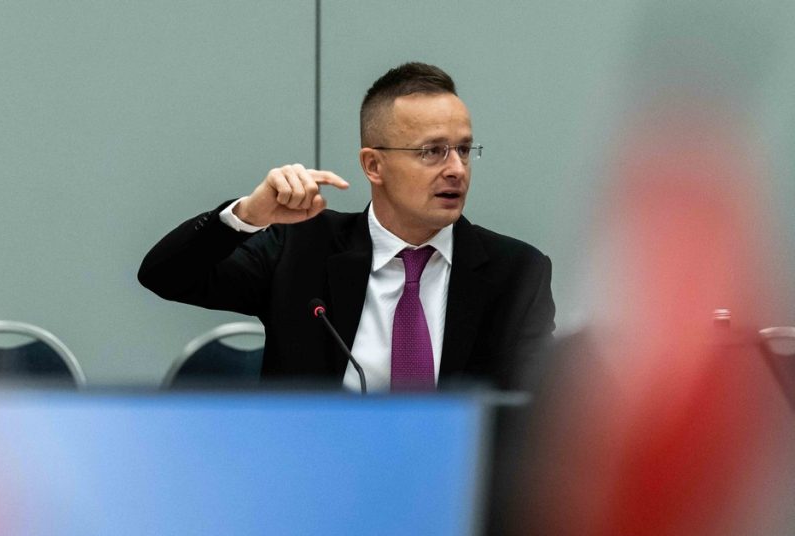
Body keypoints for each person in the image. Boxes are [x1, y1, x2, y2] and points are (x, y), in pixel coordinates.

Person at [139, 62, 554, 391]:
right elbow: (164, 275)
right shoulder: (301, 249)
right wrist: (248, 215)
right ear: (374, 165)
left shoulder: (515, 273)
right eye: (432, 151)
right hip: (315, 468)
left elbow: (534, 414)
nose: (456, 169)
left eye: (463, 149)